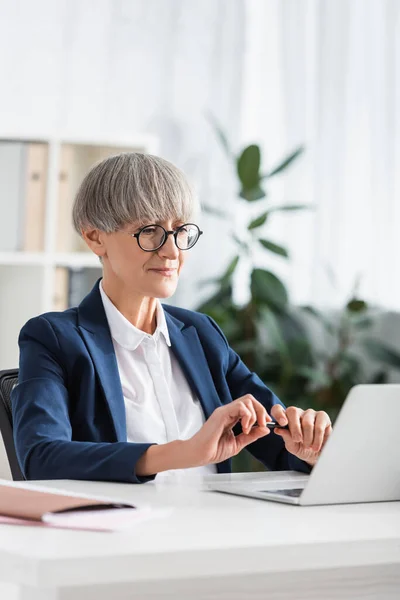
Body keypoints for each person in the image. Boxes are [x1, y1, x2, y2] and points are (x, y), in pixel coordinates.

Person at [12, 153, 332, 483]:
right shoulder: (53, 338)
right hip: (121, 531)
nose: (172, 251)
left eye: (180, 230)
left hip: (215, 529)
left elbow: (280, 446)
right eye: (149, 231)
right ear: (95, 237)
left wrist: (308, 448)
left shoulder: (201, 333)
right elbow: (42, 457)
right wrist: (184, 452)